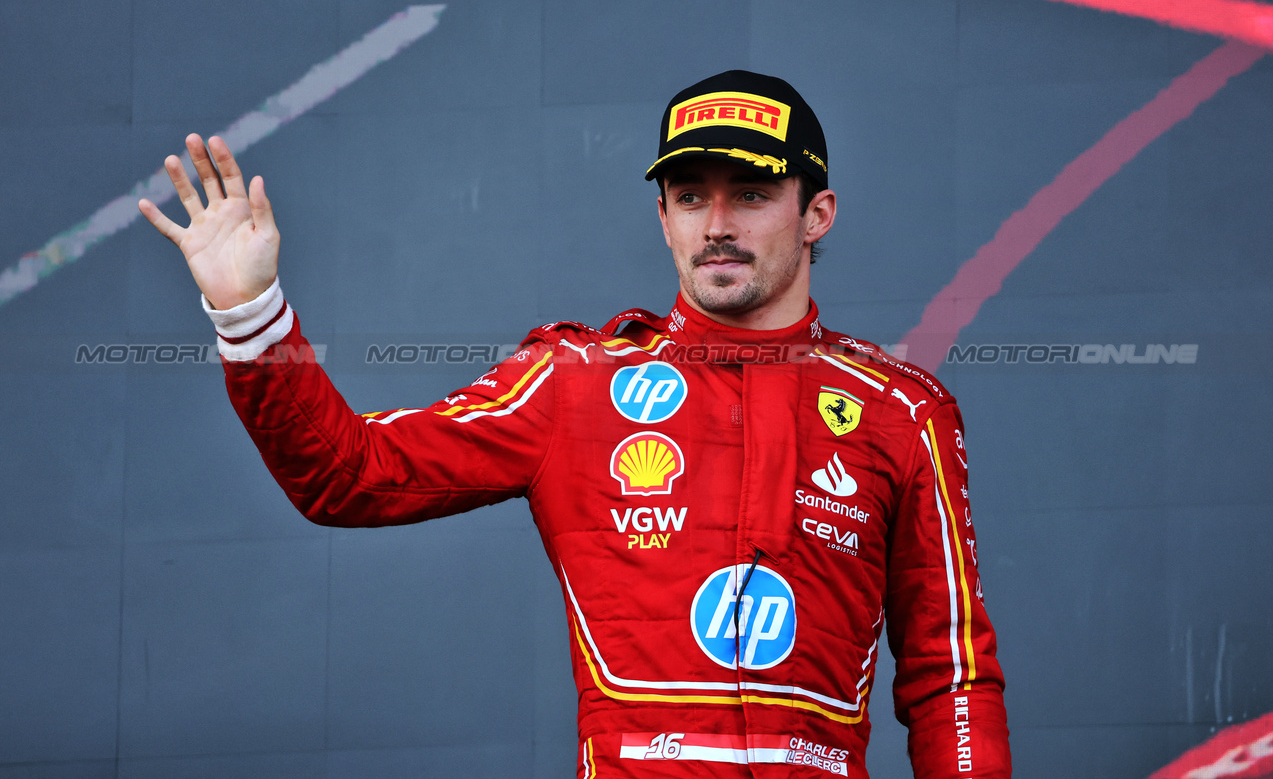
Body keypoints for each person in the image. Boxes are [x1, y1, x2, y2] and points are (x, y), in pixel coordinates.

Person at [140, 70, 1010, 778]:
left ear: (815, 213)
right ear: (662, 216)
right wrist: (249, 310)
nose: (716, 225)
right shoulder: (575, 384)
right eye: (687, 195)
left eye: (750, 193)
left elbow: (951, 679)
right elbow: (349, 474)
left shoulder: (903, 411)